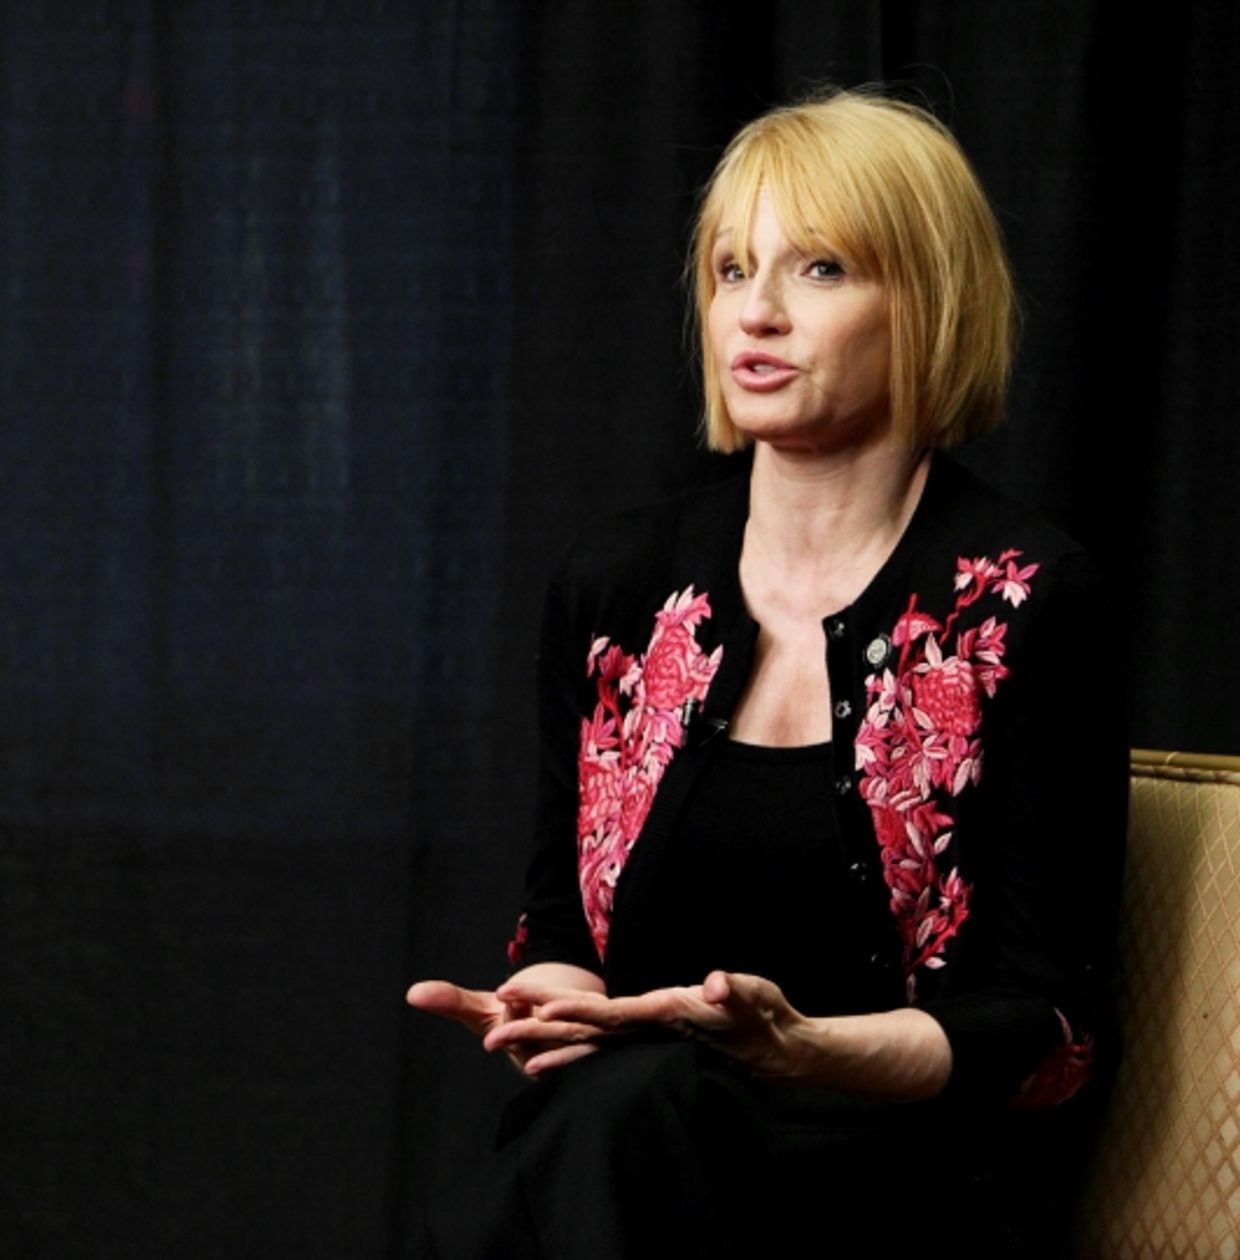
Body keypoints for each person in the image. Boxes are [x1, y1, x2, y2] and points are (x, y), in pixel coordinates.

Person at [407, 88, 1125, 1258]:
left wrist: (799, 1048)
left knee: (617, 1127)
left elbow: (1045, 1031)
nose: (758, 313)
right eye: (731, 269)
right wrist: (556, 992)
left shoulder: (1025, 599)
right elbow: (559, 916)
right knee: (619, 1114)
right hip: (635, 1152)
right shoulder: (617, 585)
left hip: (898, 1176)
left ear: (927, 302)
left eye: (821, 270)